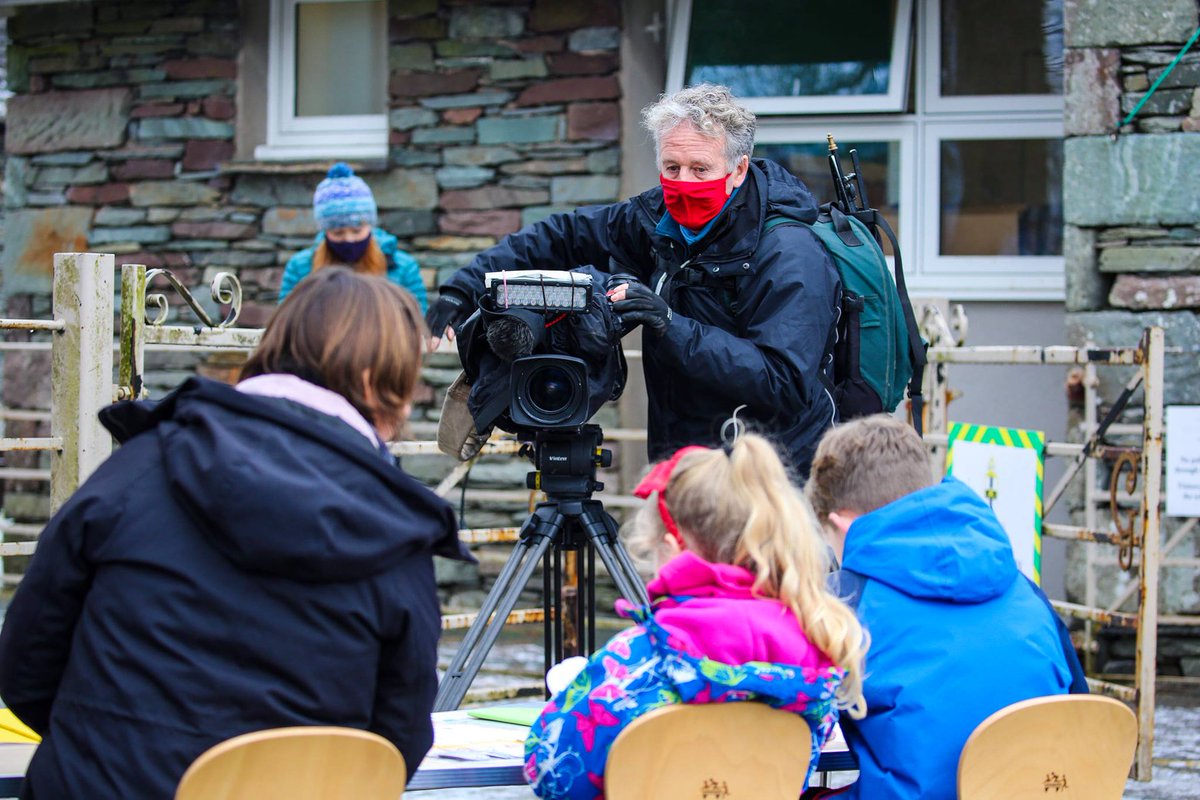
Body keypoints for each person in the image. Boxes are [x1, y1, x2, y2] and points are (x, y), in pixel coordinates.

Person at [0, 269, 472, 799]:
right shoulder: (396, 527)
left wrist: (110, 747)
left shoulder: (138, 466)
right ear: (376, 382)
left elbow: (25, 664)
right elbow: (398, 737)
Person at [426, 83, 839, 478]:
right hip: (682, 460)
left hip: (773, 474)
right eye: (672, 167)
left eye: (700, 169)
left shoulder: (789, 253)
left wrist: (670, 325)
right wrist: (464, 287)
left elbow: (785, 383)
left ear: (738, 169)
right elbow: (562, 235)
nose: (684, 183)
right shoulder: (656, 217)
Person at [523, 433, 868, 799]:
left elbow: (550, 772)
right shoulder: (816, 646)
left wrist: (578, 691)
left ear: (673, 549)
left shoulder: (636, 657)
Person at [804, 414, 1088, 800]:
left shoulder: (844, 601)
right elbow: (1078, 705)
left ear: (842, 525)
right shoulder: (1025, 590)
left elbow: (795, 729)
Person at [278, 162, 428, 311]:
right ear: (325, 231)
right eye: (338, 233)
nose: (349, 239)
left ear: (370, 226)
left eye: (357, 231)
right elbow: (286, 319)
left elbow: (418, 318)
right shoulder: (300, 268)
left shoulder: (403, 267)